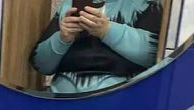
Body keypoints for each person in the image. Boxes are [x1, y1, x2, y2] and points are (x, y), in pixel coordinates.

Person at [31, 0, 163, 94]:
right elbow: (41, 65)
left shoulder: (144, 5)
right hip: (64, 97)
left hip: (120, 97)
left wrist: (107, 31)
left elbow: (156, 56)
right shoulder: (69, 6)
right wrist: (62, 39)